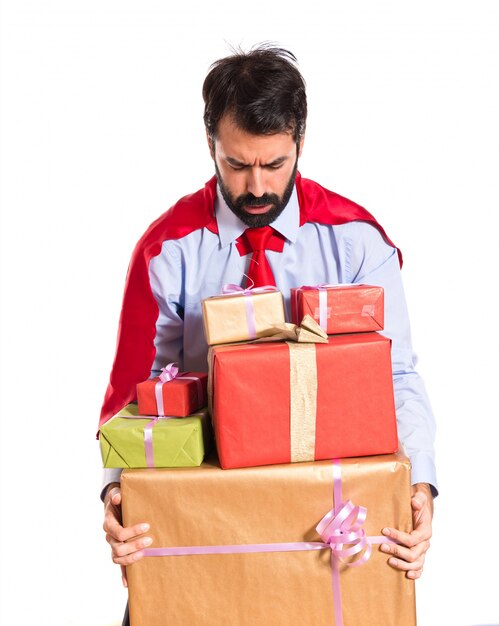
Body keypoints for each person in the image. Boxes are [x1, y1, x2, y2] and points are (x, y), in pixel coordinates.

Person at [101, 44, 437, 609]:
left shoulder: (357, 242)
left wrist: (420, 481)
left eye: (274, 164)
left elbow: (395, 372)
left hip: (328, 524)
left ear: (300, 143)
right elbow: (133, 389)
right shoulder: (167, 252)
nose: (256, 187)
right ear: (211, 145)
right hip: (207, 513)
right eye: (237, 164)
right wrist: (116, 490)